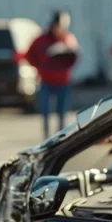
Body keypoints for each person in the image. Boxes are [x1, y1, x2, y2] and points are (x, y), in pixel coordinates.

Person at [26, 10, 80, 138]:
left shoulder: (68, 38)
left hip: (63, 82)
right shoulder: (41, 40)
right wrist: (39, 67)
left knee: (62, 113)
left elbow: (75, 57)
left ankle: (61, 138)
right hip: (46, 81)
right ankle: (46, 138)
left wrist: (66, 60)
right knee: (45, 113)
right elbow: (29, 55)